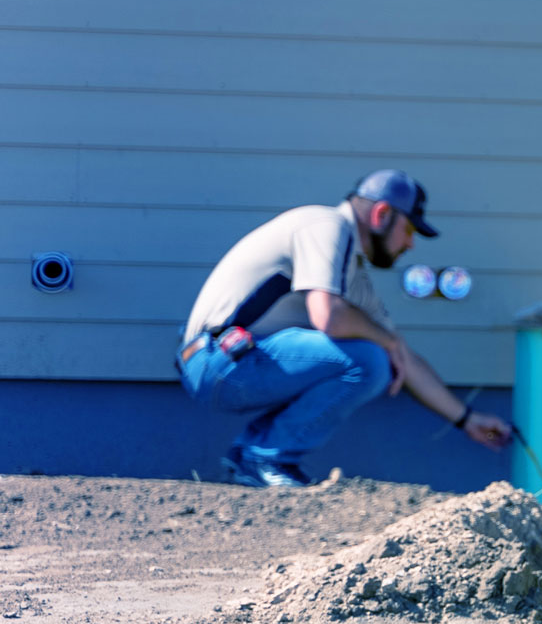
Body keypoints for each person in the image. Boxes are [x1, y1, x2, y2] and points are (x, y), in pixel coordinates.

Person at [177, 169, 512, 487]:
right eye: (409, 230)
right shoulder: (326, 225)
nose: (410, 245)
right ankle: (263, 459)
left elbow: (403, 357)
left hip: (233, 362)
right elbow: (329, 317)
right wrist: (387, 342)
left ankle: (252, 457)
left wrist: (467, 419)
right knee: (369, 359)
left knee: (377, 355)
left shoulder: (352, 274)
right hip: (213, 360)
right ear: (382, 215)